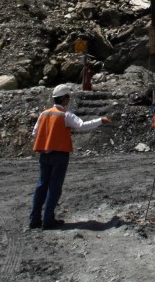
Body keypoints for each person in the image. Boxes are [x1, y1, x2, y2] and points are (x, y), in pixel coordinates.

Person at [29, 84, 111, 230]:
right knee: (54, 187)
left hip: (44, 154)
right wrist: (100, 121)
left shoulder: (43, 114)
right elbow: (82, 125)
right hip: (60, 154)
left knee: (41, 185)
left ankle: (34, 219)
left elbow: (35, 133)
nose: (69, 100)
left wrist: (48, 139)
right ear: (64, 98)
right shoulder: (65, 115)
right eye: (68, 97)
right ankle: (48, 220)